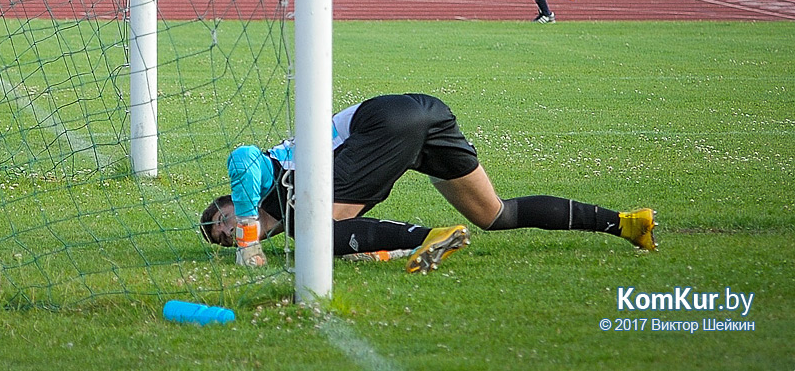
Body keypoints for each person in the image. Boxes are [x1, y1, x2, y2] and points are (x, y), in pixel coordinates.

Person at [199, 93, 658, 272]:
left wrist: (248, 240)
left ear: (232, 204)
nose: (227, 231)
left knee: (310, 232)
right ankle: (626, 223)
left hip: (384, 121)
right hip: (423, 114)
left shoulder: (271, 179)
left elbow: (241, 159)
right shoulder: (296, 202)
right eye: (223, 238)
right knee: (494, 214)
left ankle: (423, 239)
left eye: (222, 220)